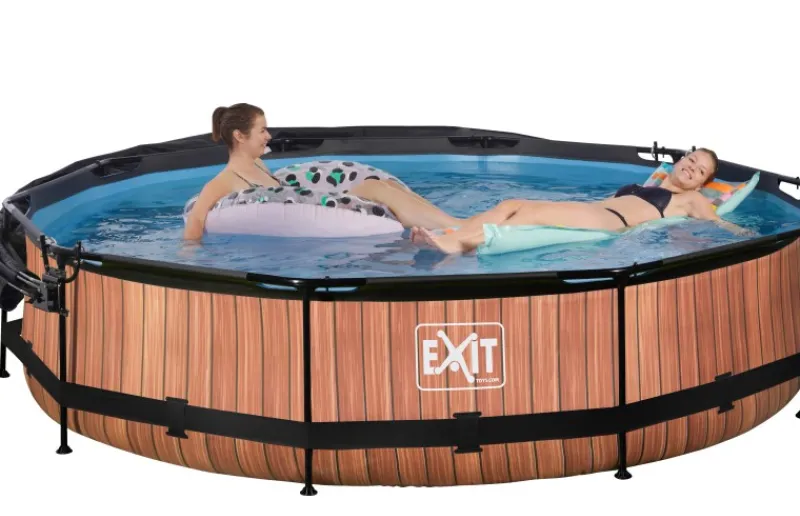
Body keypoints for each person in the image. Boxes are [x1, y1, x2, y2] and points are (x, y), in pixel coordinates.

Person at [183, 103, 456, 241]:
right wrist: (193, 262)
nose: (269, 136)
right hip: (331, 214)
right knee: (375, 189)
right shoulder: (224, 181)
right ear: (239, 136)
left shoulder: (258, 164)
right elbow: (195, 220)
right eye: (262, 130)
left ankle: (451, 226)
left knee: (384, 185)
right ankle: (456, 227)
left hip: (325, 206)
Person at [405, 148, 754, 254]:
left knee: (527, 216)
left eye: (700, 170)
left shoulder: (690, 198)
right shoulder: (649, 183)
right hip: (595, 210)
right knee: (511, 203)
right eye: (691, 159)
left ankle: (454, 245)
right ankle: (456, 233)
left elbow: (718, 222)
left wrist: (746, 236)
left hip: (610, 222)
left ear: (704, 182)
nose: (691, 167)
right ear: (680, 160)